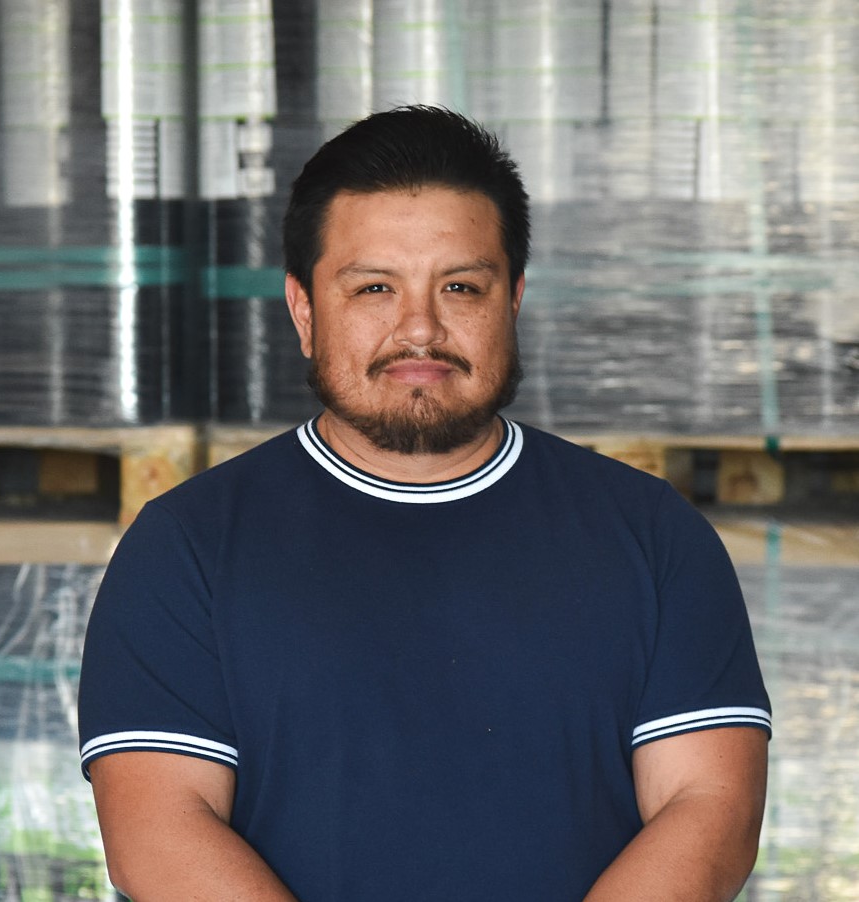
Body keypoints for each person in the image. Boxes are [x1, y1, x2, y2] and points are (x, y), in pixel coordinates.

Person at [78, 105, 771, 901]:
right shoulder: (186, 547)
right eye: (375, 288)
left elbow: (709, 807)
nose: (419, 329)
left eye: (460, 287)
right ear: (304, 311)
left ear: (513, 300)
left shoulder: (655, 536)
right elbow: (159, 831)